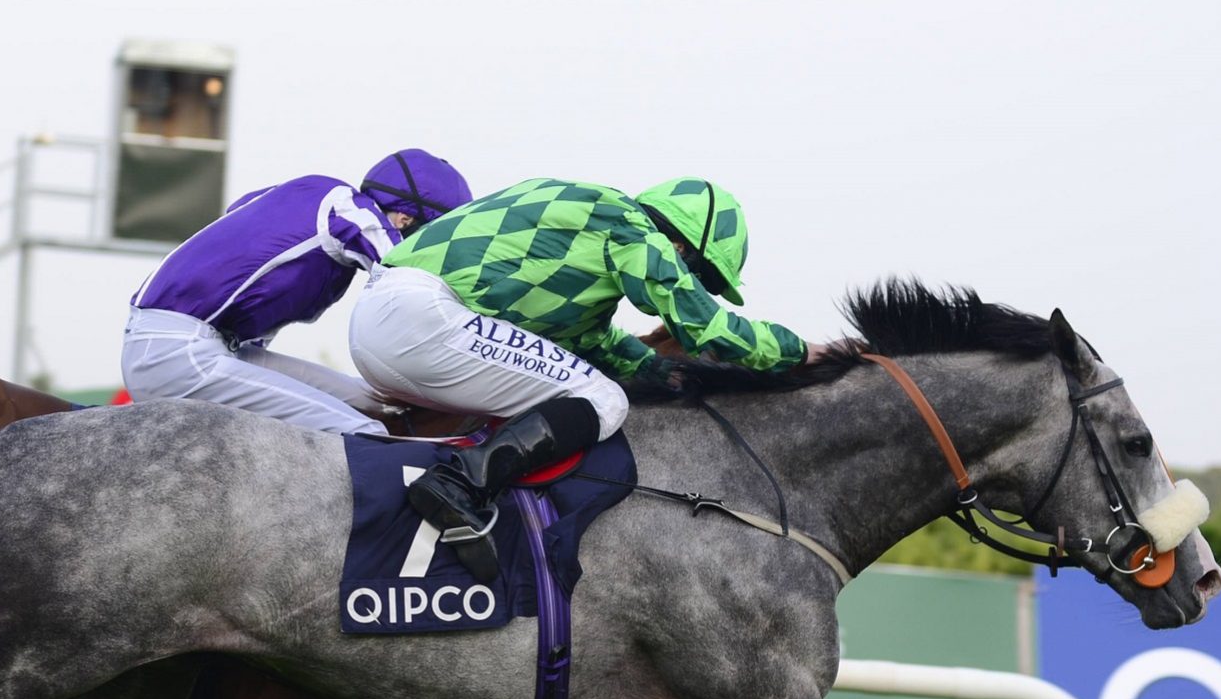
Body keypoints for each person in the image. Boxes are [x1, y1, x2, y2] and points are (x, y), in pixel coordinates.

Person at [349, 176, 814, 578]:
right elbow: (703, 327)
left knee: (578, 382)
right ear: (680, 246)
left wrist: (655, 369)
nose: (689, 280)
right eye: (698, 273)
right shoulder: (629, 224)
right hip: (421, 319)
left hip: (384, 319)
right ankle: (462, 485)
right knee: (603, 399)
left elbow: (590, 342)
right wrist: (800, 352)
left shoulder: (584, 223)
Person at [122, 150, 472, 435]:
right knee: (366, 433)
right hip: (179, 353)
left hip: (206, 345)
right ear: (404, 220)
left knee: (379, 402)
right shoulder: (343, 204)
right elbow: (408, 277)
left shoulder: (290, 198)